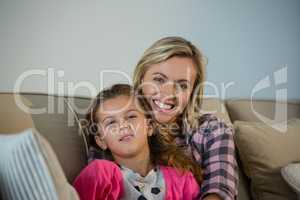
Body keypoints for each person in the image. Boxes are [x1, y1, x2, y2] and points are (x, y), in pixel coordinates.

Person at [132, 37, 238, 200]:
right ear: (141, 79)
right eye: (159, 79)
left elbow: (220, 189)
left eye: (182, 85)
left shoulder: (212, 130)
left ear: (191, 93)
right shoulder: (116, 124)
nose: (169, 93)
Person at [73, 84, 202, 200]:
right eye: (111, 122)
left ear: (149, 126)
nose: (123, 125)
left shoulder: (182, 179)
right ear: (101, 141)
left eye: (131, 117)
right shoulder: (99, 174)